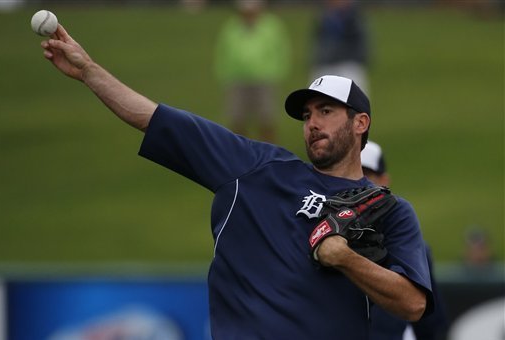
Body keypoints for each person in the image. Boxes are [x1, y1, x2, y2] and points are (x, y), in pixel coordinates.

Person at [40, 25, 433, 339]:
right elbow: (154, 118)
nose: (312, 123)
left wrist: (346, 258)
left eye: (326, 111)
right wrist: (88, 72)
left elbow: (413, 303)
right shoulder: (258, 168)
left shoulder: (388, 211)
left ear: (360, 123)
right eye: (307, 115)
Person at [361, 141, 448, 340]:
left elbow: (429, 325)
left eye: (365, 175)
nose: (357, 182)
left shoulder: (413, 250)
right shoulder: (315, 241)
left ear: (384, 181)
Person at [213, 0, 290, 143]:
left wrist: (277, 73)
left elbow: (282, 51)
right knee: (237, 120)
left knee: (267, 120)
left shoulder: (272, 25)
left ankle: (269, 156)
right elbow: (222, 52)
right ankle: (239, 156)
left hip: (265, 79)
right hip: (236, 79)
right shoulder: (231, 27)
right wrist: (224, 75)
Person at [310, 0, 370, 94]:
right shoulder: (324, 17)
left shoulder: (355, 18)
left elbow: (362, 43)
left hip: (349, 64)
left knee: (354, 101)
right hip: (325, 65)